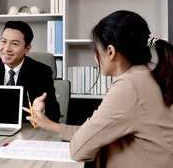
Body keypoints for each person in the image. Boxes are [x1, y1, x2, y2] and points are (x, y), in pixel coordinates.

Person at [25, 10, 173, 167]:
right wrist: (51, 125)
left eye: (95, 50)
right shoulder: (149, 76)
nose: (95, 57)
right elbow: (98, 133)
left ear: (110, 52)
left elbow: (78, 149)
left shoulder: (128, 87)